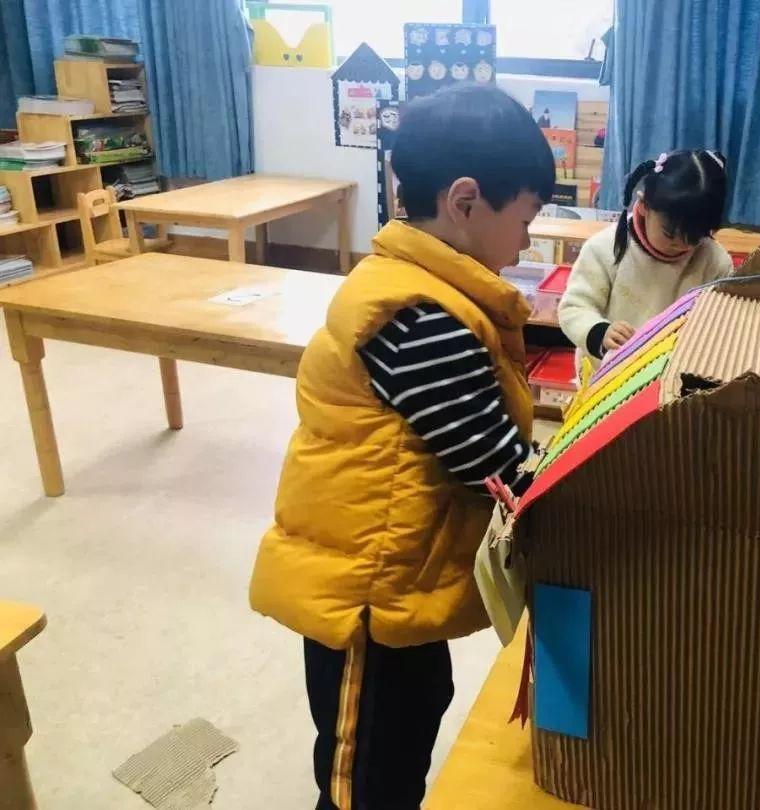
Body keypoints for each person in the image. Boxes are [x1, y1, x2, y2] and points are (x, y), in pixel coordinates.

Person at [249, 83, 555, 810]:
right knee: (368, 778)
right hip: (363, 596)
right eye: (524, 221)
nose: (526, 243)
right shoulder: (419, 317)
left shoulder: (422, 289)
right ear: (465, 201)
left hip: (397, 578)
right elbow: (492, 466)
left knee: (413, 717)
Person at [558, 149, 734, 374]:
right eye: (669, 234)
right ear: (644, 206)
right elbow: (574, 307)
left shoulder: (715, 262)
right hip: (608, 378)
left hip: (674, 376)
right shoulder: (604, 249)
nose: (683, 246)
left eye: (695, 237)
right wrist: (600, 333)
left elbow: (719, 326)